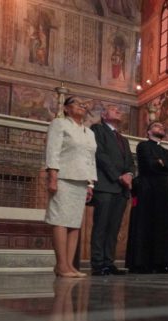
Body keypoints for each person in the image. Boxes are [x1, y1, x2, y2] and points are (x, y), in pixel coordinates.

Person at [45, 96, 97, 278]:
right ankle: (61, 264)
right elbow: (53, 150)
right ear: (66, 108)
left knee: (75, 223)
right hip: (64, 177)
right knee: (60, 220)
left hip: (81, 180)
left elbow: (91, 159)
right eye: (76, 103)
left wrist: (90, 183)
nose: (82, 105)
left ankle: (69, 265)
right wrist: (52, 176)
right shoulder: (59, 124)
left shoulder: (89, 133)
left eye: (84, 104)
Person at [126, 122, 168, 273]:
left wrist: (162, 164)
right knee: (146, 223)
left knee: (164, 225)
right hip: (148, 189)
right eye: (156, 126)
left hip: (165, 190)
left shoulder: (166, 151)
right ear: (148, 132)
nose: (161, 127)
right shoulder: (143, 146)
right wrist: (161, 164)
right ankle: (143, 262)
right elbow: (150, 165)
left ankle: (162, 262)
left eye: (162, 126)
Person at [89, 104, 134, 276]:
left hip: (121, 190)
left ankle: (109, 262)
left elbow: (130, 161)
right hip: (106, 185)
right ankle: (98, 264)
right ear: (103, 114)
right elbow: (100, 155)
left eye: (119, 110)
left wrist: (129, 174)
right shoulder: (97, 130)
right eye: (114, 109)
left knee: (114, 227)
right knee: (101, 226)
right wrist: (118, 176)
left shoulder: (123, 139)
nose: (119, 111)